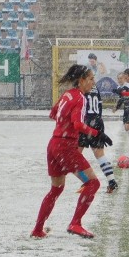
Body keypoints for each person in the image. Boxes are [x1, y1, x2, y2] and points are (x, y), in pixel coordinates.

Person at [31, 64, 112, 240]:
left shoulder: (67, 95)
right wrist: (98, 133)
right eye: (90, 78)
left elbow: (53, 114)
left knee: (56, 189)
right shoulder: (81, 98)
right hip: (66, 147)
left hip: (54, 144)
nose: (93, 82)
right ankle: (75, 223)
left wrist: (64, 123)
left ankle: (37, 229)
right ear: (81, 80)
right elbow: (77, 124)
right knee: (93, 183)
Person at [79, 79, 119, 194]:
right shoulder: (95, 88)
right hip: (97, 120)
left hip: (86, 121)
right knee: (100, 155)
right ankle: (112, 181)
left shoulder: (82, 87)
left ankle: (87, 181)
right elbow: (100, 106)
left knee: (75, 155)